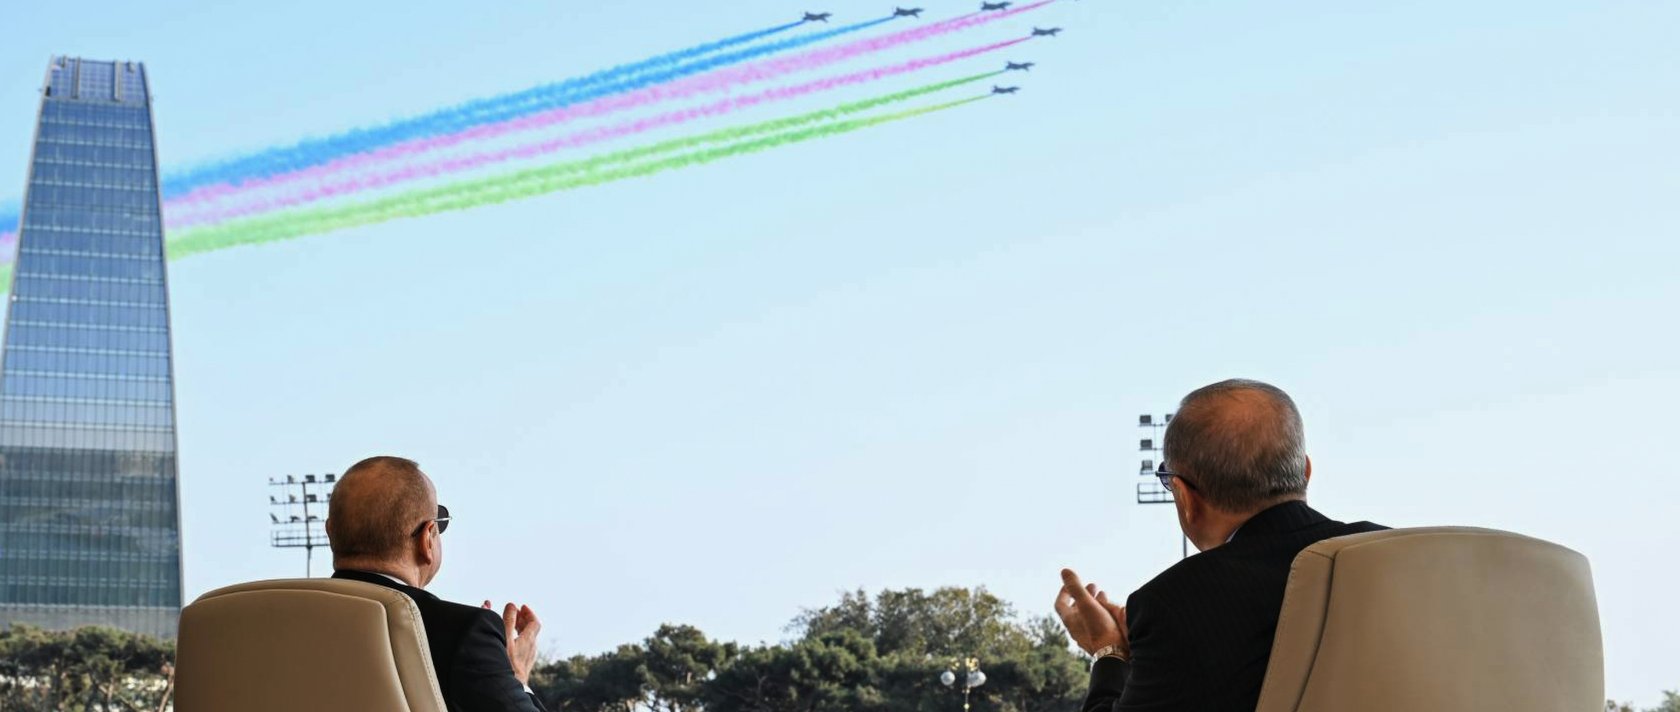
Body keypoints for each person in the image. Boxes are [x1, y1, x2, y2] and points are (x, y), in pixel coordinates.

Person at [1055, 379, 1386, 712]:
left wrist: (1109, 652)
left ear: (1184, 497)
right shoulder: (1397, 556)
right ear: (1306, 471)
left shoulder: (1177, 604)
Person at [326, 456, 547, 712]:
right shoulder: (462, 634)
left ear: (330, 533)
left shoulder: (274, 621)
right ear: (427, 539)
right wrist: (516, 676)